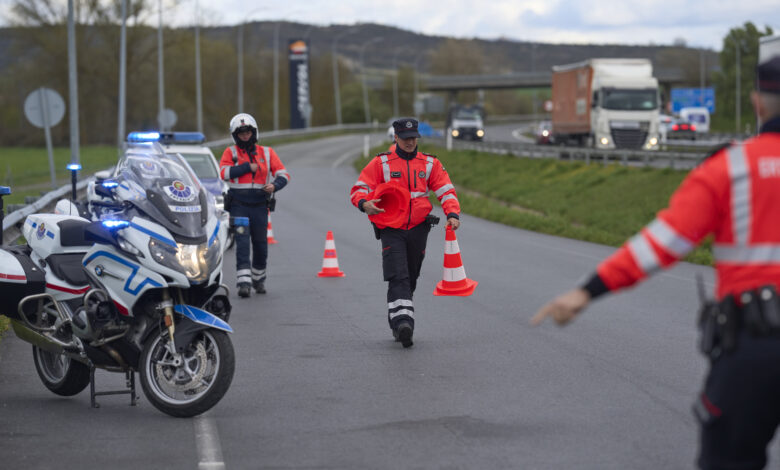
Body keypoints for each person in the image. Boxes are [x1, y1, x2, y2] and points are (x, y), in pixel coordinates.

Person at [531, 55, 780, 470]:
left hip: (755, 346)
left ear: (757, 102)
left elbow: (658, 245)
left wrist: (586, 291)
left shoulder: (730, 168)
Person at [350, 118, 461, 348]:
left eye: (413, 138)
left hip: (419, 228)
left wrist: (452, 214)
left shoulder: (430, 164)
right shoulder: (381, 163)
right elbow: (360, 188)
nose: (410, 142)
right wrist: (364, 203)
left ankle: (398, 314)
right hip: (391, 228)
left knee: (411, 275)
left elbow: (446, 190)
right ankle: (403, 323)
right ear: (396, 138)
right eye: (405, 138)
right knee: (397, 274)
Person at [220, 113, 289, 298]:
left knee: (260, 244)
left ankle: (259, 279)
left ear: (254, 132)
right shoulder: (230, 152)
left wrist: (274, 185)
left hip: (259, 205)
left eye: (248, 131)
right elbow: (223, 173)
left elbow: (284, 174)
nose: (245, 135)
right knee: (242, 244)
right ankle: (244, 283)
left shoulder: (267, 152)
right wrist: (245, 168)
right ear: (235, 134)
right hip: (239, 205)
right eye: (241, 132)